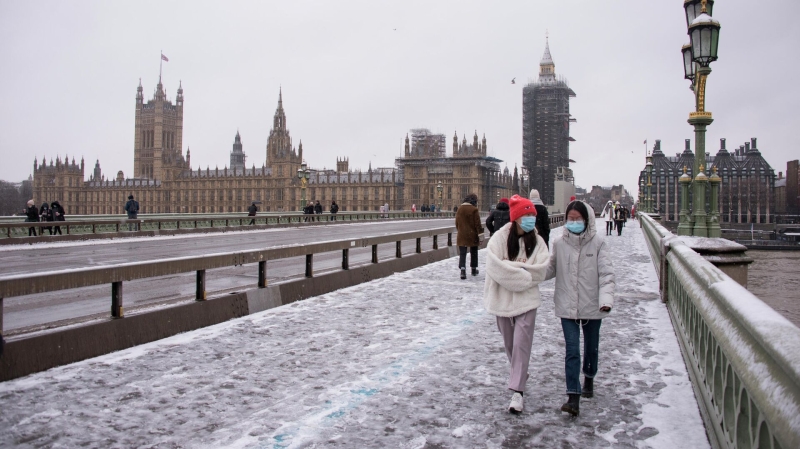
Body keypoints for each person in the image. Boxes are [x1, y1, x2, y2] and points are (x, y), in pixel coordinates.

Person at [546, 200, 615, 416]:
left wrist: (606, 300)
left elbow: (606, 274)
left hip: (593, 304)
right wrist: (527, 274)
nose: (573, 222)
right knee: (572, 350)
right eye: (570, 219)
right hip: (567, 304)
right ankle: (573, 396)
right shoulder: (559, 243)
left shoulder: (599, 243)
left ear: (586, 220)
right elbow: (550, 269)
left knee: (591, 348)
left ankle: (589, 376)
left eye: (577, 219)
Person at [484, 194, 549, 414]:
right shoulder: (499, 239)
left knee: (521, 342)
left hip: (527, 300)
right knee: (510, 343)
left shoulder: (538, 242)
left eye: (533, 215)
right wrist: (522, 273)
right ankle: (520, 372)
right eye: (528, 215)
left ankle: (517, 392)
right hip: (501, 298)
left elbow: (541, 270)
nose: (532, 218)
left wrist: (509, 268)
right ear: (517, 217)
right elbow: (494, 267)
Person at [455, 193, 483, 280]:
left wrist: (461, 230)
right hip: (472, 234)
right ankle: (473, 269)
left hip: (462, 235)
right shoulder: (474, 209)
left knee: (462, 253)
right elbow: (477, 224)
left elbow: (457, 223)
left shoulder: (460, 209)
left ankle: (462, 270)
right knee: (474, 252)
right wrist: (480, 236)